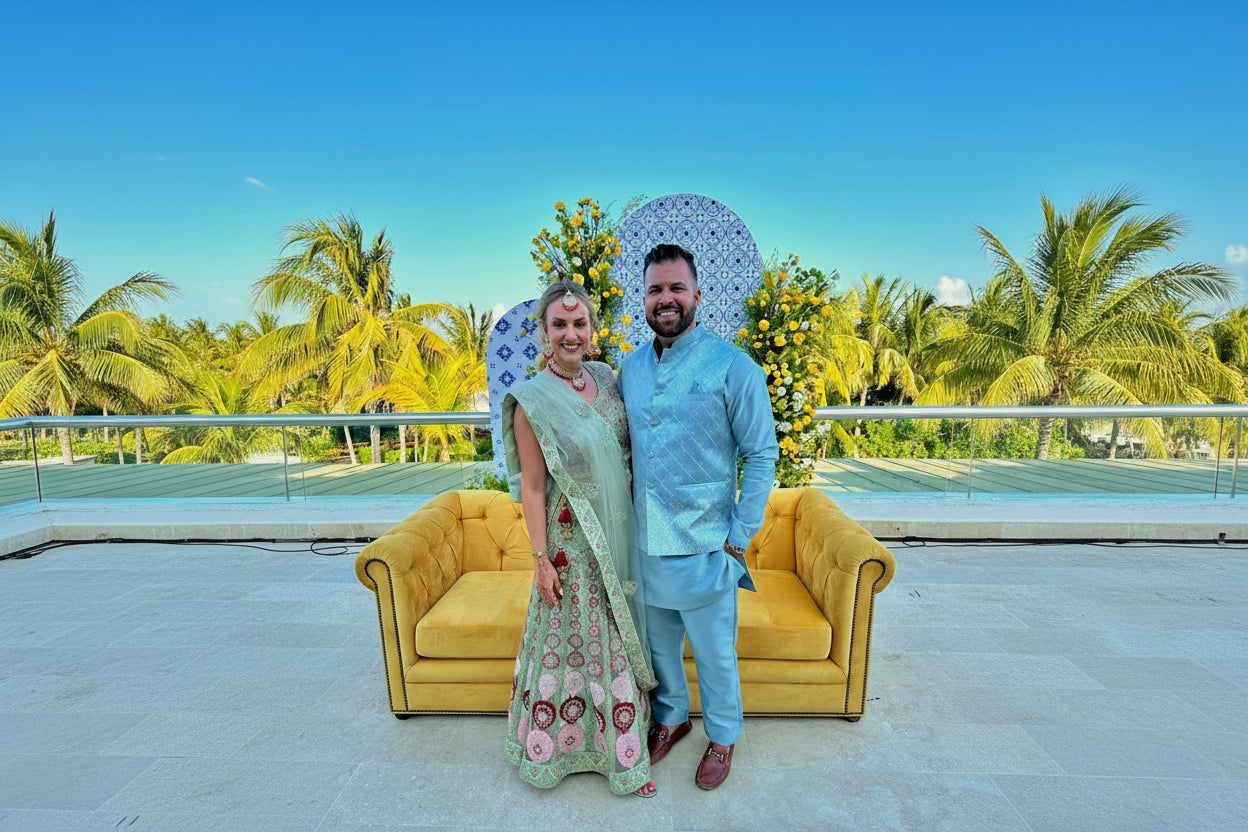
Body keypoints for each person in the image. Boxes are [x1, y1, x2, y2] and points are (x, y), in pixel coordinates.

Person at [618, 243, 778, 790]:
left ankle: (724, 736)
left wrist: (738, 536)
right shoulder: (631, 369)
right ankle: (671, 720)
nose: (666, 299)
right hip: (644, 541)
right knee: (659, 648)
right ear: (644, 298)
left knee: (714, 654)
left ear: (697, 296)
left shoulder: (734, 367)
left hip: (709, 544)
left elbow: (761, 454)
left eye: (676, 288)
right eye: (656, 289)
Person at [502, 279, 658, 797]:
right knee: (574, 644)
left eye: (579, 323)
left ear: (592, 329)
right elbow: (532, 485)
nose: (571, 334)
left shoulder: (605, 377)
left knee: (614, 638)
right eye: (559, 325)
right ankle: (562, 747)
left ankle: (623, 751)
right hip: (572, 546)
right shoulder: (531, 399)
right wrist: (542, 559)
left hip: (618, 537)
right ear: (544, 333)